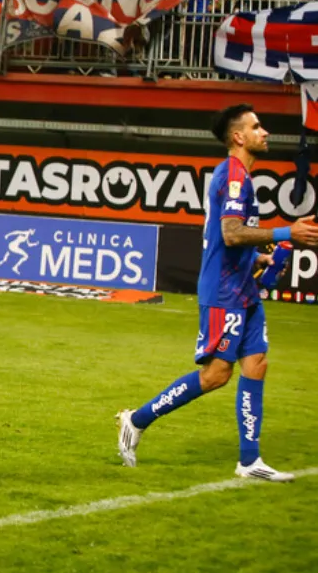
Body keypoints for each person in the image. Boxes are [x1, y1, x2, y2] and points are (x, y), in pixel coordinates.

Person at [117, 104, 318, 480]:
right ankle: (136, 419)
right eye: (257, 126)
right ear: (239, 137)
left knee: (257, 363)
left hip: (242, 286)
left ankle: (249, 461)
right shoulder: (234, 178)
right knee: (216, 375)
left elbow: (227, 237)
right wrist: (285, 232)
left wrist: (256, 258)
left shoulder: (240, 176)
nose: (266, 132)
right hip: (223, 291)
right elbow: (230, 232)